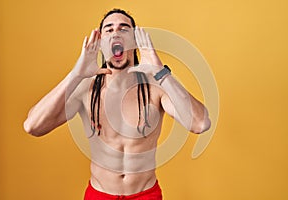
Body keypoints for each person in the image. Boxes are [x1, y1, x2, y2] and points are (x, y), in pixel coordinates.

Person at [23, 8, 211, 200]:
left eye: (123, 29)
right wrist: (75, 74)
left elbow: (200, 124)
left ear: (135, 41)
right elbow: (33, 126)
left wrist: (161, 71)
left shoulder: (156, 86)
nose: (116, 33)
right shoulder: (85, 89)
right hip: (99, 194)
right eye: (109, 30)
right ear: (101, 42)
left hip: (145, 194)